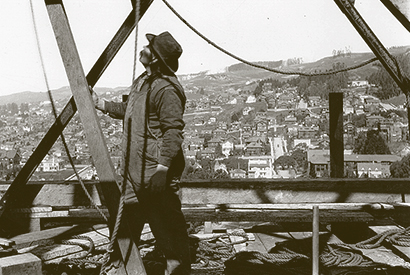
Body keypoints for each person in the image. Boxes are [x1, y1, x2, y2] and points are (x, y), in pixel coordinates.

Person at [91, 31, 190, 275]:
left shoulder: (166, 90)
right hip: (135, 172)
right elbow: (131, 109)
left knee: (166, 225)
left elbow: (173, 132)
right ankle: (122, 266)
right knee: (127, 223)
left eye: (148, 48)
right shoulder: (144, 81)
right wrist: (102, 105)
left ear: (155, 58)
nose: (143, 49)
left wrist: (162, 170)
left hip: (154, 174)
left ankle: (176, 269)